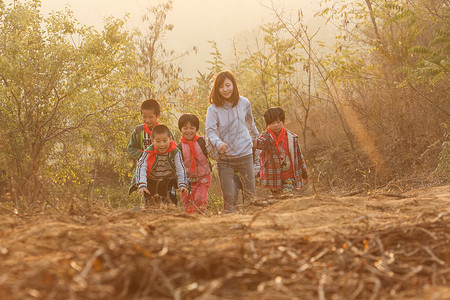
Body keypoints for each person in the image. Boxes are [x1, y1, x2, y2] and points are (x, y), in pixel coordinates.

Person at [205, 70, 259, 212]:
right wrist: (219, 143)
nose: (225, 89)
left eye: (228, 85)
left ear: (234, 85)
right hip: (225, 159)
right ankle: (230, 228)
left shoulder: (244, 103)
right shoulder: (213, 110)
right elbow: (210, 131)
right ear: (217, 89)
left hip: (245, 155)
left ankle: (252, 227)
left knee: (250, 195)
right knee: (229, 198)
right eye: (221, 87)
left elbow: (250, 124)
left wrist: (255, 139)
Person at [254, 107, 308, 197]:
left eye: (279, 122)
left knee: (287, 195)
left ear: (283, 121)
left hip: (289, 175)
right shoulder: (266, 136)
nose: (276, 125)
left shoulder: (291, 137)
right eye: (272, 123)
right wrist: (254, 142)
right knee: (278, 199)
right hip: (273, 177)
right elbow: (260, 143)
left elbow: (298, 155)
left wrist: (304, 172)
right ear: (268, 124)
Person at [136, 124, 189, 205]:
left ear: (170, 139)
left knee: (171, 203)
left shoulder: (175, 152)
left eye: (165, 140)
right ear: (152, 141)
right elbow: (141, 167)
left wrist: (182, 184)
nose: (162, 144)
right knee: (151, 203)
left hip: (167, 181)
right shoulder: (148, 152)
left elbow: (180, 168)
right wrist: (142, 184)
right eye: (158, 141)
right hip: (151, 181)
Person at [177, 114, 211, 214]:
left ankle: (200, 219)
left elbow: (212, 152)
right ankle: (190, 223)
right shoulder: (179, 147)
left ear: (196, 128)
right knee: (186, 204)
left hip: (203, 177)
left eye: (192, 128)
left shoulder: (202, 141)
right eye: (185, 128)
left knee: (200, 199)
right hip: (186, 180)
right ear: (180, 129)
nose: (189, 131)